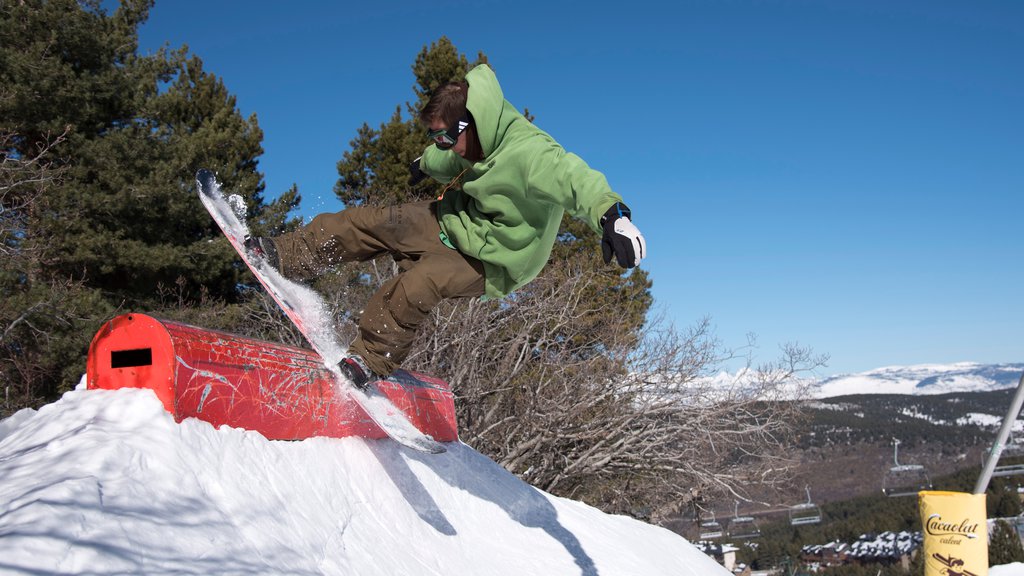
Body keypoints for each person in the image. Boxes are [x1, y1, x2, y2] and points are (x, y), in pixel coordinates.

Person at [248, 64, 646, 388]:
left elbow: (577, 179)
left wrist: (613, 217)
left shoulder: (531, 155)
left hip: (497, 259)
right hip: (454, 221)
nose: (442, 145)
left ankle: (369, 360)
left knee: (419, 283)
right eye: (434, 137)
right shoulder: (464, 140)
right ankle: (289, 255)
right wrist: (424, 162)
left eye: (444, 137)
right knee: (372, 220)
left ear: (468, 126)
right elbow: (444, 160)